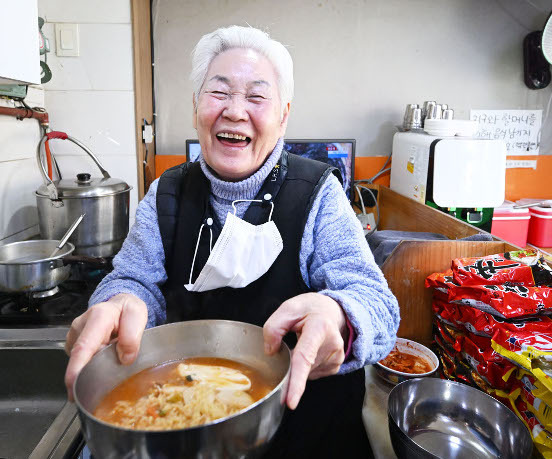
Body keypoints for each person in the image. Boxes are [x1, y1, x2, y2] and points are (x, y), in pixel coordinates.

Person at [64, 25, 399, 458]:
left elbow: (377, 303)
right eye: (219, 92)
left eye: (257, 98)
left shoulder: (318, 192)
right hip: (190, 434)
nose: (235, 112)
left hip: (307, 436)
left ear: (283, 116)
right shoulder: (166, 193)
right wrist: (118, 302)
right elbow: (134, 281)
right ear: (195, 106)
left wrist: (340, 315)